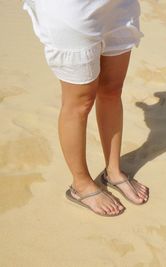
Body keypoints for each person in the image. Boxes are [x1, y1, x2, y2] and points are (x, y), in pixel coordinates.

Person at [22, 0, 149, 217]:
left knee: (111, 90)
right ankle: (81, 185)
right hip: (71, 10)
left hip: (117, 7)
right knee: (80, 103)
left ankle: (113, 171)